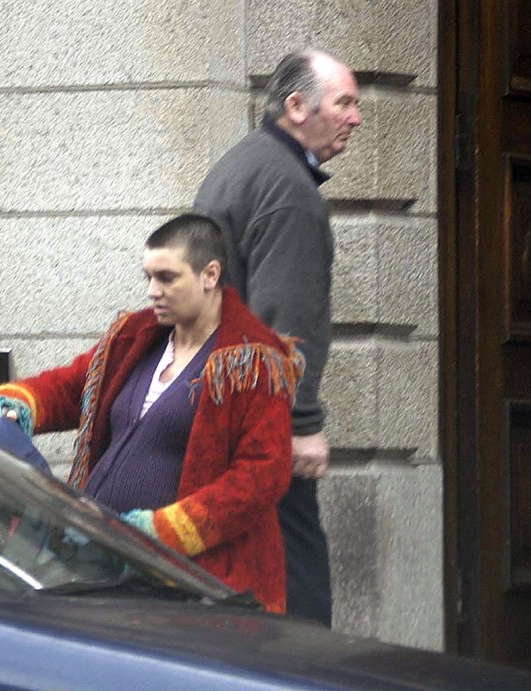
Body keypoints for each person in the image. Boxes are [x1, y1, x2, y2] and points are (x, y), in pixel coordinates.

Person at [0, 213, 304, 612]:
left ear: (210, 275)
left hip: (195, 585)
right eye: (148, 278)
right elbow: (71, 387)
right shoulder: (136, 336)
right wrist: (15, 405)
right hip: (99, 568)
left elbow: (261, 476)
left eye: (167, 278)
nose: (153, 291)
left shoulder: (252, 359)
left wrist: (158, 532)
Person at [192, 48, 363, 627]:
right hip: (262, 421)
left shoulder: (242, 164)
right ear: (296, 107)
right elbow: (286, 319)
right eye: (344, 103)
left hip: (218, 405)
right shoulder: (291, 191)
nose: (356, 118)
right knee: (299, 585)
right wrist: (302, 425)